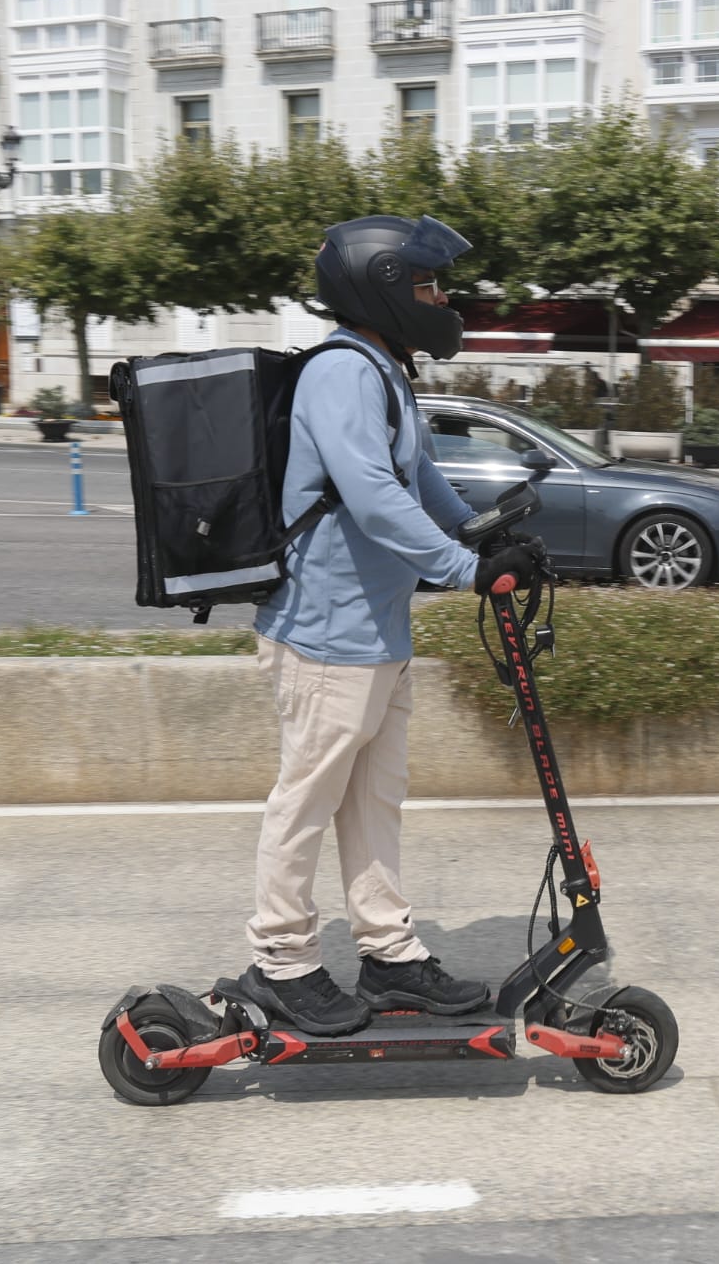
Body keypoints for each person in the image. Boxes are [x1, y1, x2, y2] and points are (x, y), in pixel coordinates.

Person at [239, 214, 543, 1038]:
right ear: (379, 285)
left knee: (374, 802)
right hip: (323, 636)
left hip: (375, 635)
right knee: (305, 801)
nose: (441, 299)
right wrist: (461, 569)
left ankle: (389, 952)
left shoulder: (384, 368)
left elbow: (419, 478)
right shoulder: (341, 372)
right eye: (427, 284)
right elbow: (371, 496)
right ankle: (281, 960)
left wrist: (484, 533)